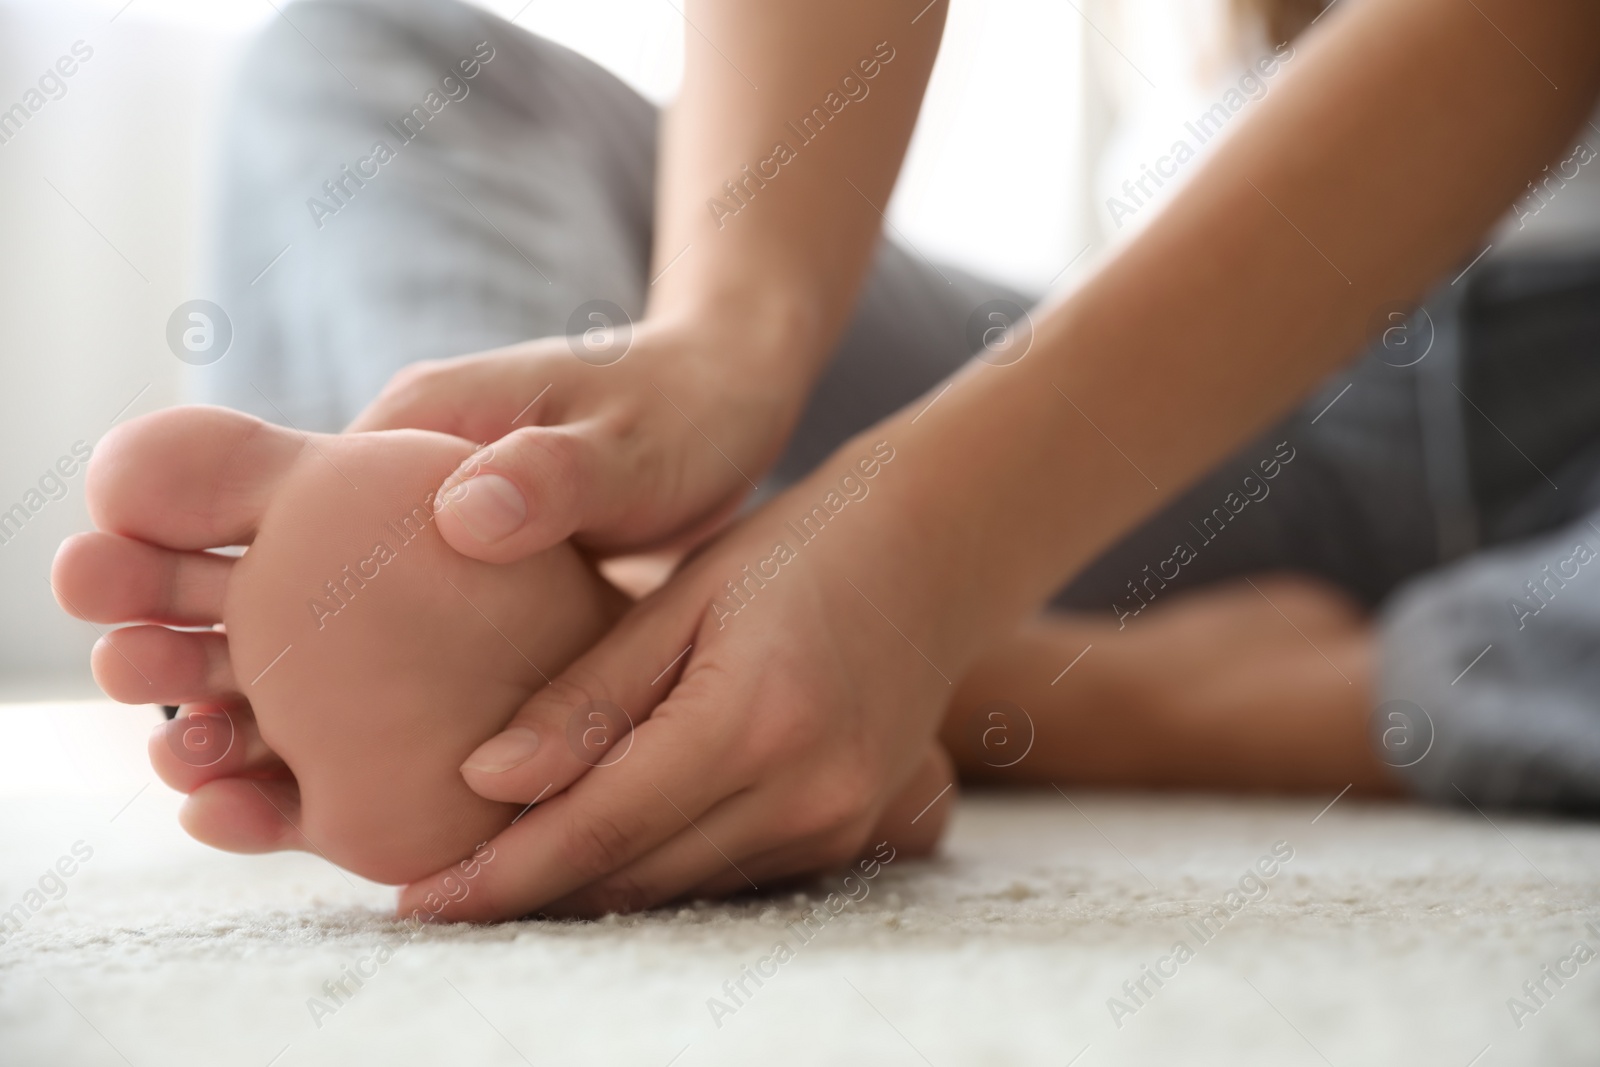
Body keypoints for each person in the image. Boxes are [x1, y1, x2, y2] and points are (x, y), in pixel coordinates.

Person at [56, 0, 1600, 920]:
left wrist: (932, 541)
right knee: (377, 65)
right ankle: (629, 613)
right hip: (1199, 345)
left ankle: (1126, 696)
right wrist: (724, 338)